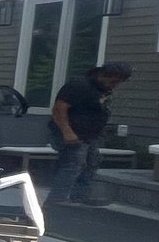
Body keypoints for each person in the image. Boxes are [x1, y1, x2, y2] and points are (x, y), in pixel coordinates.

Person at [47, 61, 131, 205]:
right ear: (104, 75)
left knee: (91, 163)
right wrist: (67, 132)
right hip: (71, 133)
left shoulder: (101, 89)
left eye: (119, 82)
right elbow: (59, 109)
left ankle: (78, 197)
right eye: (113, 81)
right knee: (73, 165)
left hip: (89, 135)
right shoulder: (79, 85)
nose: (115, 85)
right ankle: (57, 200)